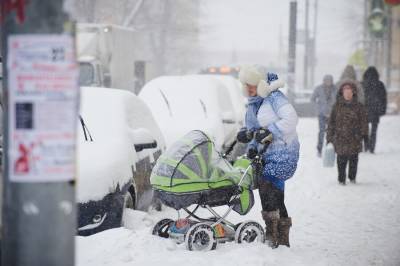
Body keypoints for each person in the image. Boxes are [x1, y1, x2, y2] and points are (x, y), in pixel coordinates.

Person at [236, 65, 300, 248]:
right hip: (265, 154)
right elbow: (255, 130)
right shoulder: (253, 103)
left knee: (268, 188)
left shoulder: (274, 97)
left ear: (262, 83)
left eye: (252, 85)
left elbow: (291, 119)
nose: (249, 89)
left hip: (283, 152)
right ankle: (280, 237)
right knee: (273, 194)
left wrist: (270, 131)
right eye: (246, 85)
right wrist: (248, 138)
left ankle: (274, 235)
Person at [327, 80, 368, 185]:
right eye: (345, 90)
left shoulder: (359, 106)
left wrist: (363, 135)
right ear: (342, 92)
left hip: (355, 138)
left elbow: (364, 122)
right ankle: (341, 179)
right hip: (340, 137)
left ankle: (352, 177)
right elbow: (331, 123)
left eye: (349, 90)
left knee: (354, 159)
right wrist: (329, 138)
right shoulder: (336, 106)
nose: (347, 92)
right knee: (341, 159)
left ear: (353, 92)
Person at [362, 66, 387, 153]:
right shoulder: (380, 84)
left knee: (365, 129)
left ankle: (366, 146)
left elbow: (360, 98)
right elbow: (384, 98)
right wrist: (383, 109)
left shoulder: (363, 83)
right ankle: (372, 147)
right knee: (374, 130)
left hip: (364, 110)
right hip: (375, 110)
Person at [311, 75, 337, 156]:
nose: (328, 82)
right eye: (327, 80)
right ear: (324, 81)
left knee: (331, 132)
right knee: (321, 132)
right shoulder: (319, 88)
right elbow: (312, 99)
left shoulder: (335, 89)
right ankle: (319, 149)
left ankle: (329, 149)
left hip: (332, 114)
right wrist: (318, 108)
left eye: (330, 80)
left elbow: (339, 100)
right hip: (322, 114)